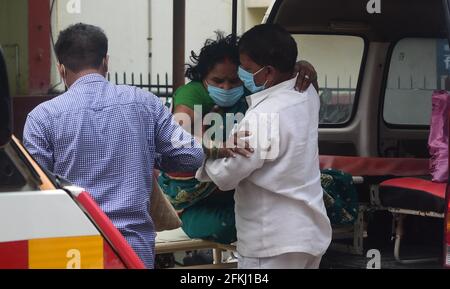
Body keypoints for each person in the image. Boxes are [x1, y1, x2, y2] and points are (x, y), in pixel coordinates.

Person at [23, 23, 204, 269]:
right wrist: (148, 154)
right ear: (106, 62)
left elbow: (35, 192)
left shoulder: (41, 118)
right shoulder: (145, 104)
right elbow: (191, 156)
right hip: (133, 249)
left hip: (71, 250)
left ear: (61, 69)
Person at [157, 32, 319, 247]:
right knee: (233, 223)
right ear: (202, 77)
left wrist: (303, 69)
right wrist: (215, 149)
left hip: (238, 189)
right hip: (194, 198)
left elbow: (296, 88)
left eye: (235, 80)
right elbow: (177, 137)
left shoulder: (259, 93)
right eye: (217, 80)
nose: (226, 87)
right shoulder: (193, 94)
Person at [196, 24, 332, 269]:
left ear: (268, 71)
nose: (242, 75)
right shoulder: (306, 93)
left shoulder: (265, 115)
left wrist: (205, 151)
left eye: (247, 69)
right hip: (308, 235)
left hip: (272, 241)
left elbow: (227, 175)